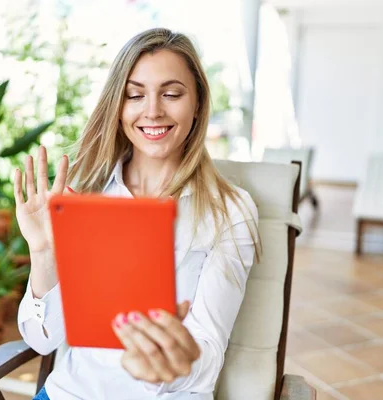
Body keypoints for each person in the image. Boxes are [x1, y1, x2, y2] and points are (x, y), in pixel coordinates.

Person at [14, 28, 260, 400]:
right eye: (134, 94)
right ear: (118, 106)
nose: (153, 110)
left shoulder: (230, 210)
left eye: (172, 93)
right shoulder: (86, 194)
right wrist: (44, 254)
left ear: (197, 104)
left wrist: (165, 367)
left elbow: (206, 353)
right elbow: (42, 341)